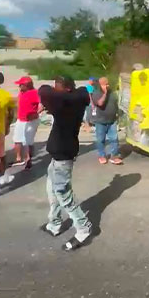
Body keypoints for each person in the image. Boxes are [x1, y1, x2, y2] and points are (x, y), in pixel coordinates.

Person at [38, 75, 93, 251]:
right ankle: (54, 224)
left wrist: (55, 97)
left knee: (63, 195)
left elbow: (43, 90)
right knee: (51, 190)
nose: (54, 91)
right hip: (57, 157)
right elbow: (85, 90)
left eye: (58, 89)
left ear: (66, 90)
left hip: (63, 157)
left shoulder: (64, 104)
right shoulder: (77, 98)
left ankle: (84, 229)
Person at [90, 76, 122, 165]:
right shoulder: (96, 93)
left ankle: (114, 156)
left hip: (112, 120)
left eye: (107, 84)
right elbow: (100, 103)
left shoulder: (112, 93)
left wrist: (117, 114)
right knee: (100, 140)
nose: (107, 86)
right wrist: (105, 93)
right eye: (104, 85)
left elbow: (115, 104)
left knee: (114, 139)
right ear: (100, 85)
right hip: (100, 121)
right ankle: (102, 155)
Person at [12, 76, 40, 170]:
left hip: (30, 121)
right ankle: (18, 158)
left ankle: (28, 160)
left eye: (21, 85)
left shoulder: (35, 93)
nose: (19, 86)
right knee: (17, 139)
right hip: (20, 119)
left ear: (27, 85)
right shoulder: (22, 92)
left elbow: (42, 104)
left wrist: (36, 113)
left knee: (28, 141)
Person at [0, 75, 16, 186]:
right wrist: (8, 125)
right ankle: (3, 176)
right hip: (1, 128)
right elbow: (11, 114)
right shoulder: (6, 95)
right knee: (1, 153)